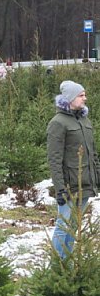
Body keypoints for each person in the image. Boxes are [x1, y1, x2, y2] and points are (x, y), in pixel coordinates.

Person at [47, 80, 100, 259]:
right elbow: (54, 159)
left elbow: (92, 153)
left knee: (74, 227)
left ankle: (67, 267)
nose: (85, 98)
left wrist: (97, 177)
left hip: (85, 182)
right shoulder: (58, 123)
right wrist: (60, 189)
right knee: (63, 228)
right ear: (70, 98)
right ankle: (56, 268)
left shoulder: (84, 120)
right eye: (81, 95)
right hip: (69, 186)